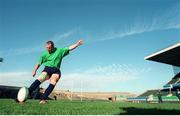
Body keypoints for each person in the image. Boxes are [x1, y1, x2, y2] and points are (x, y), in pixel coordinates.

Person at [28, 40, 83, 104]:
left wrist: (77, 44)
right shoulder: (44, 54)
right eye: (46, 48)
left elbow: (69, 48)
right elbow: (38, 63)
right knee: (41, 78)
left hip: (56, 70)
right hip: (47, 69)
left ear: (53, 47)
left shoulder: (59, 50)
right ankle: (28, 92)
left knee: (53, 81)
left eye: (49, 48)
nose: (48, 49)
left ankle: (43, 99)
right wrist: (34, 71)